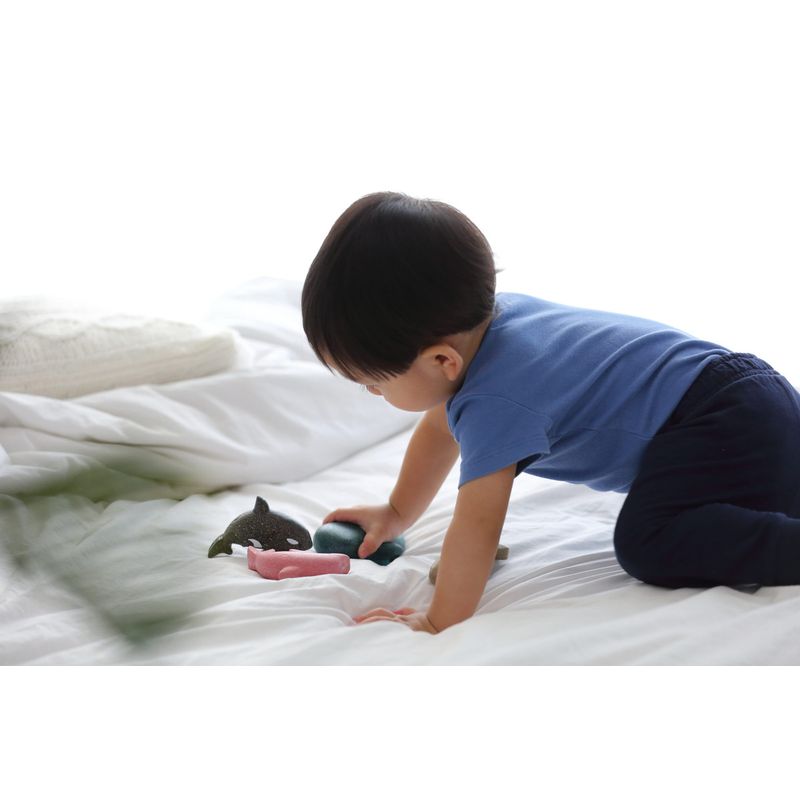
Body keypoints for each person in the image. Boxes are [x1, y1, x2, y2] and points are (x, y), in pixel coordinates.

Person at [301, 191, 800, 634]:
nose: (372, 392)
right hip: (748, 398)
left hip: (720, 425)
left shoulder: (493, 402)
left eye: (373, 381)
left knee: (648, 541)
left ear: (441, 361)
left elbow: (478, 525)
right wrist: (396, 513)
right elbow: (439, 431)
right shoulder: (495, 326)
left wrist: (440, 620)